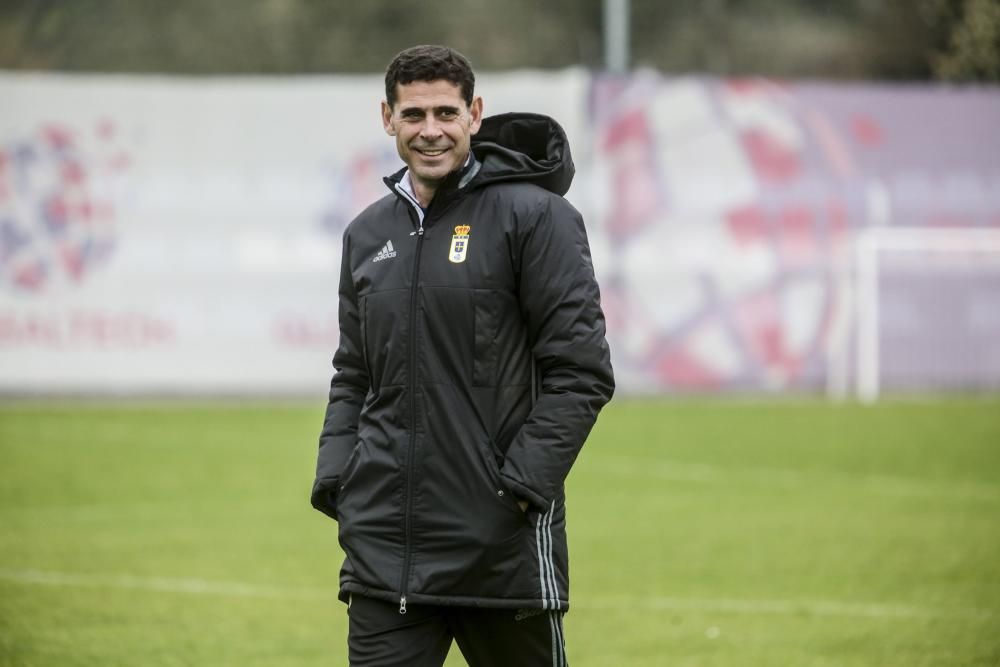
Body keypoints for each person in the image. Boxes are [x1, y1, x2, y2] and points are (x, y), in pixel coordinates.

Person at [311, 44, 614, 667]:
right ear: (387, 118)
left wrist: (518, 492)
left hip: (499, 549)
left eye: (446, 113)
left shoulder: (538, 217)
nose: (431, 131)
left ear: (475, 114)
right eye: (414, 114)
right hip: (384, 553)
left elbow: (581, 373)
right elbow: (353, 372)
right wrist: (339, 478)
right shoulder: (368, 234)